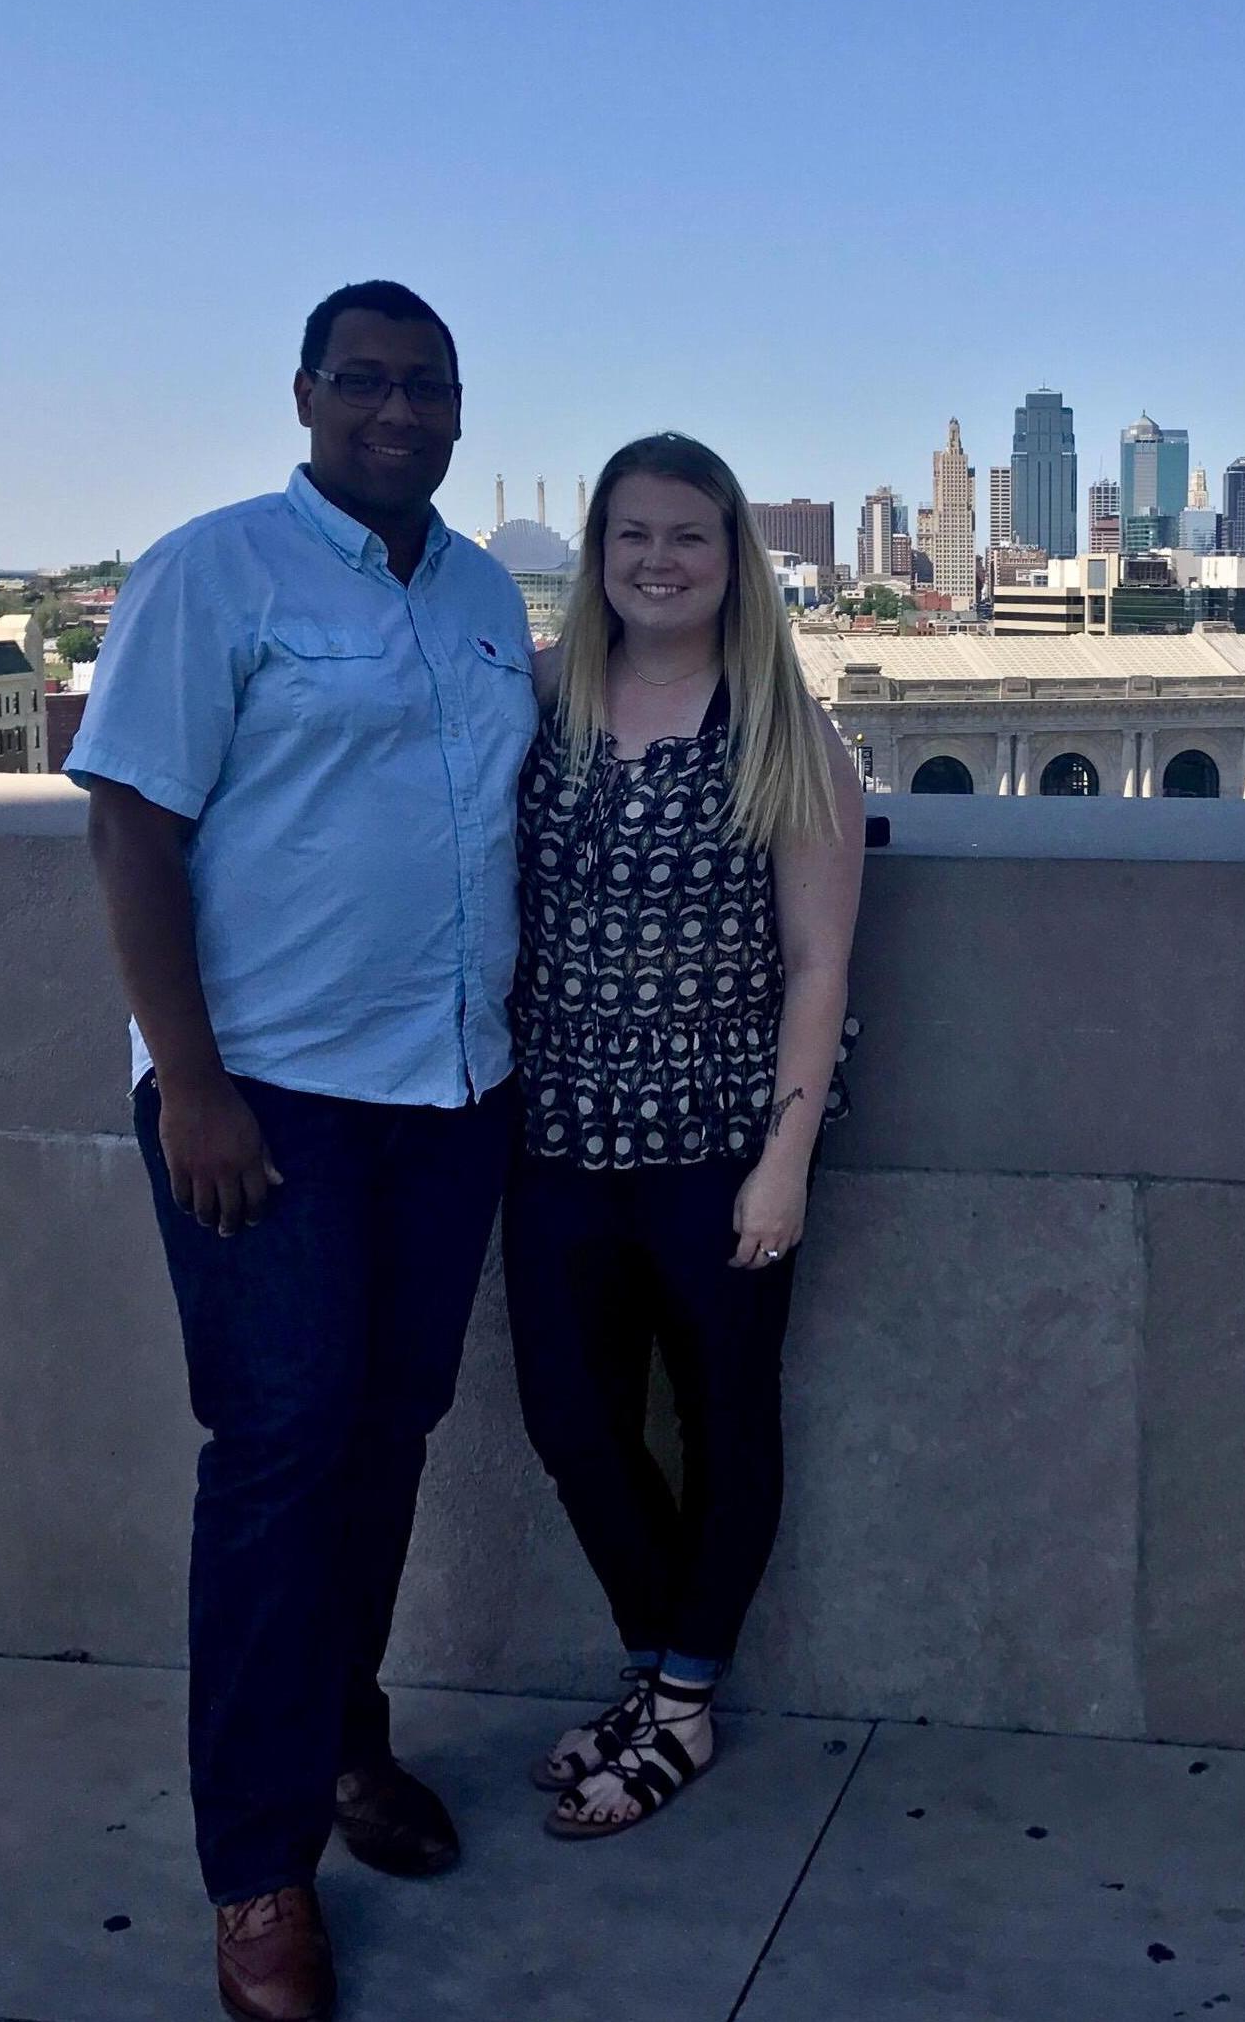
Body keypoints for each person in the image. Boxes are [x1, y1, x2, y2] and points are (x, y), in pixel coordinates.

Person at [69, 282, 535, 2022]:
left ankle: (346, 1739)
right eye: (367, 383)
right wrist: (188, 1081)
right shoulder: (215, 571)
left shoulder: (488, 597)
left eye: (429, 388)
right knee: (275, 1458)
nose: (398, 413)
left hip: (451, 1100)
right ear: (307, 396)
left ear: (461, 411)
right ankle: (259, 1873)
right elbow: (130, 823)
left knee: (385, 1436)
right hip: (265, 1103)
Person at [504, 431, 864, 1838]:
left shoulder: (784, 729)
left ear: (733, 562)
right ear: (596, 556)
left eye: (689, 537)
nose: (658, 560)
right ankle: (667, 1679)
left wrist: (785, 1163)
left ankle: (676, 1700)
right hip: (555, 1138)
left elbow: (821, 967)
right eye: (631, 535)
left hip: (720, 1145)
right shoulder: (543, 704)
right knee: (572, 1424)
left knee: (726, 1424)